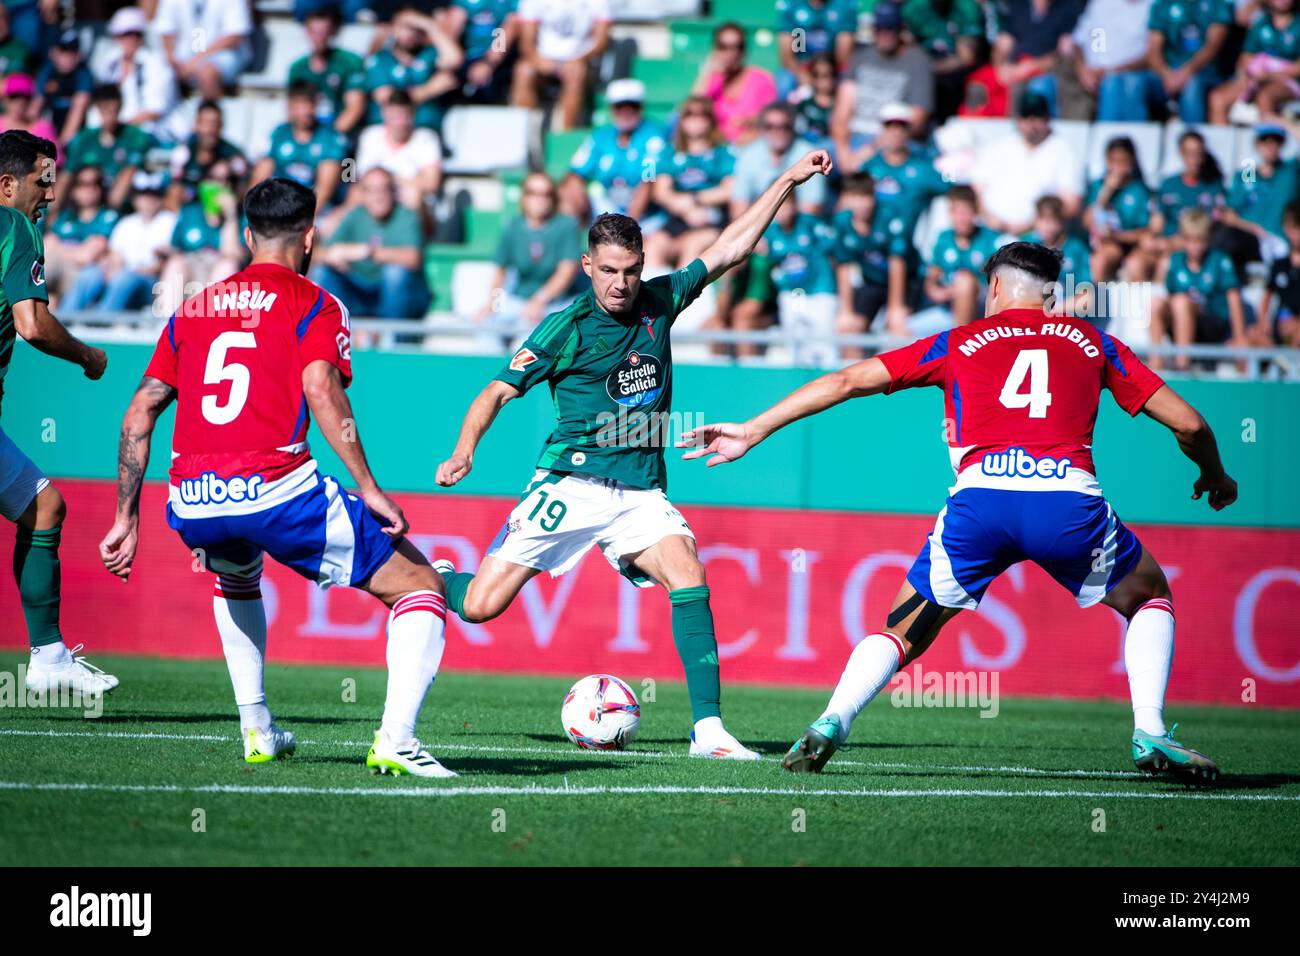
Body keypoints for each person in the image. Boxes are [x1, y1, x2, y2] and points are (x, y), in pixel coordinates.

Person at [680, 240, 1235, 785]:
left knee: (901, 631)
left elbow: (847, 381)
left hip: (981, 505)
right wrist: (1214, 475)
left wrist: (753, 429)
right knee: (1149, 597)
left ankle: (834, 719)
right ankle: (1150, 730)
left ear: (994, 286)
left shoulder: (960, 342)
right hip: (1068, 505)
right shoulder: (1093, 342)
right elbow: (1189, 423)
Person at [433, 150, 834, 760]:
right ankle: (437, 578)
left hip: (640, 493)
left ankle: (709, 732)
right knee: (482, 606)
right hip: (570, 483)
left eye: (633, 270)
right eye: (611, 270)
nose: (622, 284)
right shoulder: (564, 328)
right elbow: (496, 391)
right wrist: (464, 451)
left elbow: (729, 249)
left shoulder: (658, 300)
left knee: (690, 575)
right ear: (588, 264)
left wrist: (783, 180)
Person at [98, 176, 457, 777]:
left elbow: (140, 409)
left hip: (192, 496)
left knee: (237, 574)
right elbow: (321, 387)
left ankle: (258, 729)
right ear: (311, 237)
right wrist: (368, 487)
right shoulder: (314, 302)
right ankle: (396, 740)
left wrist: (124, 518)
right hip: (273, 486)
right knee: (419, 584)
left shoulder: (194, 306)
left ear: (246, 236)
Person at [0, 130, 114, 696]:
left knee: (45, 507)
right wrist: (89, 357)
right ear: (8, 184)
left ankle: (48, 657)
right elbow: (32, 324)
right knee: (44, 508)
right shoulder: (17, 229)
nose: (50, 193)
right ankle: (47, 658)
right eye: (43, 180)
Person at [312, 167, 430, 320]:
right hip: (358, 289)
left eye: (384, 189)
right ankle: (335, 335)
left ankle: (392, 338)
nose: (378, 196)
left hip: (395, 296)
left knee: (395, 274)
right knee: (322, 272)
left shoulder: (406, 216)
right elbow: (320, 253)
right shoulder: (355, 216)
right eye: (371, 190)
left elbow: (413, 258)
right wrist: (334, 255)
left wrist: (367, 252)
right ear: (363, 194)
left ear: (393, 192)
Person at [476, 171, 581, 343]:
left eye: (546, 194)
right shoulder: (512, 226)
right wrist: (492, 303)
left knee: (527, 339)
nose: (540, 199)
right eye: (533, 193)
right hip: (519, 300)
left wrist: (539, 300)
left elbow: (566, 272)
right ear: (524, 197)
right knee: (485, 325)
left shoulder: (566, 225)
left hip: (555, 304)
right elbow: (500, 273)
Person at [972, 91, 1082, 236]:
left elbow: (1072, 205)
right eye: (1026, 116)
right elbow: (976, 191)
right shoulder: (997, 146)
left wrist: (1031, 225)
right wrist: (991, 219)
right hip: (990, 232)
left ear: (1047, 118)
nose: (1031, 122)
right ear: (1018, 120)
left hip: (1040, 237)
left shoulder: (1064, 150)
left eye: (1037, 116)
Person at [644, 96, 735, 272]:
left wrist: (695, 200)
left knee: (693, 246)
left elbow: (728, 190)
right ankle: (653, 299)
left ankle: (681, 297)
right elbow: (660, 192)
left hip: (713, 218)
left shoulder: (723, 152)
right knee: (653, 246)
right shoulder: (669, 151)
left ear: (711, 119)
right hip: (679, 218)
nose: (696, 119)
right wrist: (686, 209)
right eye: (689, 114)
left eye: (702, 114)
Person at [831, 1, 934, 156]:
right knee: (816, 159)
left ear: (901, 29)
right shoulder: (860, 57)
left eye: (890, 28)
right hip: (854, 138)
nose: (884, 34)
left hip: (894, 143)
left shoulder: (918, 60)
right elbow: (841, 114)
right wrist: (843, 151)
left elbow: (917, 121)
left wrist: (871, 150)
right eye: (879, 28)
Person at [1152, 207, 1248, 370]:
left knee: (1181, 302)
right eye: (1190, 240)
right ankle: (1156, 365)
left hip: (1212, 323)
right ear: (1182, 239)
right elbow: (1166, 297)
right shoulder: (1174, 261)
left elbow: (1234, 299)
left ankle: (1182, 364)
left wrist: (1239, 336)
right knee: (1157, 303)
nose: (1195, 246)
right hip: (1180, 321)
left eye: (1200, 240)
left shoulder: (1219, 260)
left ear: (1208, 238)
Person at [561, 78, 667, 224]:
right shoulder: (600, 136)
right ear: (611, 108)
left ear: (641, 107)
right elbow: (575, 172)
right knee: (567, 193)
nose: (625, 111)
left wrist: (628, 227)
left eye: (632, 106)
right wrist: (578, 200)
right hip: (607, 204)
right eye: (619, 106)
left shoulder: (653, 136)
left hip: (646, 216)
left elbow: (648, 180)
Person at [831, 170, 917, 345]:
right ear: (846, 198)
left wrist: (895, 307)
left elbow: (897, 263)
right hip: (871, 282)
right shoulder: (841, 222)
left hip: (907, 283)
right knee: (849, 328)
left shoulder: (890, 217)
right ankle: (852, 369)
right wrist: (846, 310)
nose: (862, 204)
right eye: (856, 197)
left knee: (898, 330)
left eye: (866, 196)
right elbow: (843, 265)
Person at [250, 81, 348, 215]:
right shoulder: (278, 133)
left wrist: (299, 219)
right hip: (280, 204)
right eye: (299, 105)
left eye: (309, 104)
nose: (304, 111)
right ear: (289, 106)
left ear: (316, 105)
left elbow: (325, 189)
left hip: (318, 211)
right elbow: (260, 176)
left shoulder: (331, 138)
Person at [511, 0, 610, 131]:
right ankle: (524, 134)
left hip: (581, 62)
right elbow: (526, 42)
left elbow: (602, 41)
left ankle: (565, 138)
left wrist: (580, 59)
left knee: (575, 73)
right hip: (542, 59)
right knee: (523, 71)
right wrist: (539, 61)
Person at [363, 6, 464, 133]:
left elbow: (455, 59)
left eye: (416, 28)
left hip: (427, 129)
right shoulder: (381, 59)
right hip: (385, 131)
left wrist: (430, 25)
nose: (411, 33)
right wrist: (430, 89)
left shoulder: (429, 54)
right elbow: (387, 98)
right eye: (405, 27)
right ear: (393, 28)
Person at [91, 171, 178, 311]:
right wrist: (114, 270)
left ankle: (101, 321)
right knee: (91, 274)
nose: (150, 199)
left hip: (152, 283)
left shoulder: (171, 222)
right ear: (135, 198)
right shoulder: (126, 223)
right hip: (123, 276)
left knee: (125, 279)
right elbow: (115, 256)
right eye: (144, 194)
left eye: (155, 194)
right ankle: (66, 321)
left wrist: (132, 272)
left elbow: (162, 264)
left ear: (162, 197)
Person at [62, 84, 155, 212]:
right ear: (98, 109)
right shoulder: (84, 138)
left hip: (116, 206)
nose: (110, 117)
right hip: (83, 205)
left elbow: (129, 172)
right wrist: (52, 212)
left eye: (114, 110)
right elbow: (67, 175)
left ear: (120, 108)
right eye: (106, 110)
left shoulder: (134, 136)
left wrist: (108, 212)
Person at [919, 184, 1001, 328]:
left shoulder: (989, 239)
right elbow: (932, 275)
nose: (962, 218)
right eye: (957, 212)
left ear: (975, 212)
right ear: (950, 213)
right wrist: (934, 290)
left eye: (966, 212)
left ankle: (961, 343)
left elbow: (994, 283)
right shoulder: (943, 238)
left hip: (980, 307)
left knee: (965, 282)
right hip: (948, 306)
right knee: (900, 329)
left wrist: (961, 289)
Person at [1208, 0, 1300, 126]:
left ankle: (1268, 140)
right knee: (1218, 98)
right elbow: (1246, 57)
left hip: (1289, 81)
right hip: (1257, 78)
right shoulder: (1261, 24)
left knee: (1265, 97)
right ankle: (1223, 141)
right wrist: (1243, 76)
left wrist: (1270, 75)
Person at [98, 6, 180, 143]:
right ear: (116, 37)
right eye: (125, 34)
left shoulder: (157, 64)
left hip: (151, 132)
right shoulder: (109, 64)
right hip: (115, 132)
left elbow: (155, 110)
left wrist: (121, 128)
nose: (130, 39)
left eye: (136, 34)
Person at [44, 166, 119, 312]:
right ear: (73, 189)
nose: (89, 188)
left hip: (84, 276)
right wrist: (74, 251)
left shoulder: (108, 217)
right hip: (59, 275)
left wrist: (59, 248)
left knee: (52, 262)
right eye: (82, 183)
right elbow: (45, 248)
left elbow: (87, 257)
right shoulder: (65, 217)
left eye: (95, 183)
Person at [1220, 123, 1299, 264]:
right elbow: (1230, 212)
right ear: (1257, 144)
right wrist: (1253, 228)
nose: (1271, 145)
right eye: (1265, 140)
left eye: (1277, 141)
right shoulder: (1248, 171)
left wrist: (1277, 120)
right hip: (1250, 237)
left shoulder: (1289, 172)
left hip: (1279, 240)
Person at [1144, 0, 1231, 124]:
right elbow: (1153, 50)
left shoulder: (1219, 4)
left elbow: (1212, 46)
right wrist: (1166, 74)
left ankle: (1192, 137)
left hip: (1205, 72)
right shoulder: (1161, 5)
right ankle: (1122, 138)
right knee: (1126, 82)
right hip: (1167, 72)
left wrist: (1186, 72)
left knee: (1191, 84)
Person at [692, 21, 776, 146]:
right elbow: (692, 112)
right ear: (714, 49)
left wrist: (750, 121)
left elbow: (773, 119)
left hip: (753, 145)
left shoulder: (761, 79)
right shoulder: (710, 81)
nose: (731, 53)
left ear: (744, 50)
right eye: (723, 46)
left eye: (737, 46)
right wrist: (706, 71)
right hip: (717, 148)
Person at [1084, 135, 1154, 284]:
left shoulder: (1140, 190)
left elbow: (1146, 230)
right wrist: (1106, 192)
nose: (1117, 167)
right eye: (1113, 161)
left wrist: (1118, 235)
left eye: (1123, 161)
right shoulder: (1098, 186)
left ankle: (1137, 306)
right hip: (1106, 245)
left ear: (1132, 161)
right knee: (1099, 261)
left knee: (1136, 265)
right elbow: (1087, 221)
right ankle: (1099, 305)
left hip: (1134, 246)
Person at [289, 5, 368, 136]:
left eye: (324, 32)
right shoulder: (297, 68)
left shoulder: (349, 62)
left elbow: (355, 108)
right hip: (310, 137)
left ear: (333, 32)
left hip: (342, 136)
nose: (320, 38)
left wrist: (328, 140)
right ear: (307, 32)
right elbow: (293, 110)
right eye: (315, 32)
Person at [154, 0, 254, 101]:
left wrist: (195, 61)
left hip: (224, 53)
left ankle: (209, 114)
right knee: (159, 70)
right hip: (186, 56)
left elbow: (234, 37)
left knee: (207, 72)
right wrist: (172, 59)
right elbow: (167, 31)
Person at [167, 100, 249, 209]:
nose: (211, 129)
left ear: (221, 126)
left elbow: (244, 192)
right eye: (206, 123)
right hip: (190, 212)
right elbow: (172, 192)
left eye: (215, 123)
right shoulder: (183, 153)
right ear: (196, 125)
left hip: (222, 214)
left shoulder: (233, 156)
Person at [775, 0, 859, 96]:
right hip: (801, 67)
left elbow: (843, 57)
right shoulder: (792, 4)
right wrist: (803, 77)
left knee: (848, 84)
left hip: (833, 68)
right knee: (784, 82)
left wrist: (826, 76)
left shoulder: (844, 5)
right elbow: (786, 56)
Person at [446, 0, 520, 104]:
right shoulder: (464, 3)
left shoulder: (510, 3)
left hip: (500, 58)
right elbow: (451, 33)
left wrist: (489, 62)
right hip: (466, 57)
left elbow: (508, 30)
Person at [33, 28, 92, 146]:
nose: (68, 56)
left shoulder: (83, 74)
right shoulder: (47, 72)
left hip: (76, 129)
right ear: (54, 52)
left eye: (73, 52)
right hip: (50, 122)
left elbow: (78, 109)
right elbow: (36, 107)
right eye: (64, 51)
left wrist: (61, 144)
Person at [1257, 199, 1300, 347]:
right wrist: (1263, 322)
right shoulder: (1280, 264)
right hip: (1280, 324)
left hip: (1295, 326)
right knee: (1246, 341)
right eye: (1292, 228)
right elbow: (1267, 295)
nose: (1296, 234)